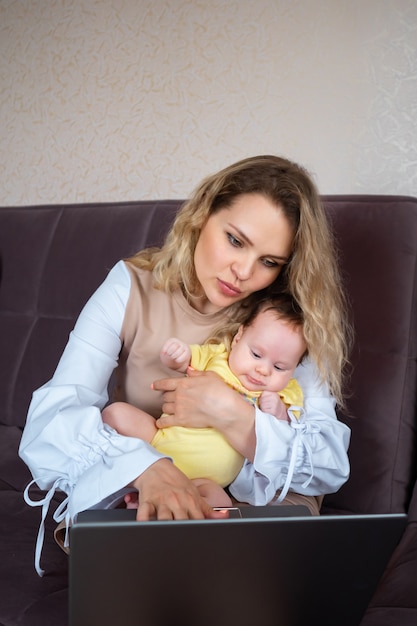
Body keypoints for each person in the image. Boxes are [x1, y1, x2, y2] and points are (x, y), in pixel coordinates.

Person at [19, 155, 352, 577]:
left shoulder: (285, 320)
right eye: (235, 240)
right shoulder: (132, 284)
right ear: (201, 215)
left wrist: (232, 414)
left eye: (269, 261)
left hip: (254, 509)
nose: (244, 271)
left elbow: (328, 466)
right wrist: (147, 468)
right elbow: (51, 419)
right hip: (148, 490)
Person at [102, 294, 307, 508]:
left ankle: (152, 502)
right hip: (158, 442)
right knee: (115, 414)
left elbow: (290, 433)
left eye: (280, 367)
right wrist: (176, 355)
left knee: (219, 504)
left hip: (207, 480)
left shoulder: (285, 391)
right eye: (256, 354)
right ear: (238, 338)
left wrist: (280, 412)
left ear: (293, 370)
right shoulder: (218, 357)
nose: (263, 370)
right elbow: (185, 361)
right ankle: (146, 484)